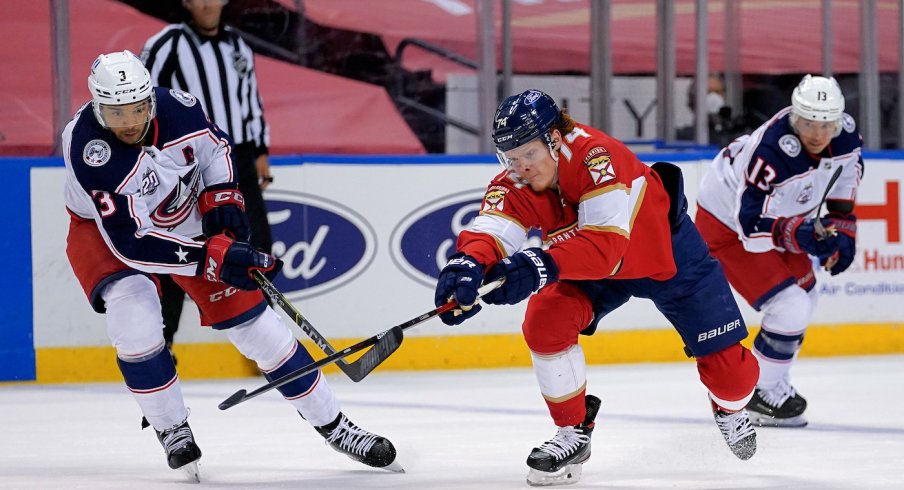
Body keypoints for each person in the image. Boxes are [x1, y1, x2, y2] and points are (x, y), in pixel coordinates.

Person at [62, 51, 400, 482]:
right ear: (96, 107)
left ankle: (337, 426)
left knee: (262, 331)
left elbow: (216, 149)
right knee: (135, 319)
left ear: (150, 97)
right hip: (106, 233)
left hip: (180, 211)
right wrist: (213, 258)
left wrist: (221, 197)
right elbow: (132, 242)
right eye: (114, 112)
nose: (128, 121)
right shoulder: (90, 149)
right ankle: (172, 429)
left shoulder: (178, 108)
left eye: (137, 108)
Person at [433, 89, 760, 486]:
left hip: (667, 257)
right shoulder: (519, 176)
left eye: (528, 154)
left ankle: (729, 410)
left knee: (734, 379)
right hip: (592, 265)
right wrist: (466, 264)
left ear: (554, 139)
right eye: (510, 156)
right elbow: (493, 227)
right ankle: (573, 432)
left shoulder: (596, 157)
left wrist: (537, 265)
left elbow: (606, 247)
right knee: (545, 320)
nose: (520, 166)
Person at [695, 74, 862, 428]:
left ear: (840, 120)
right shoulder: (771, 151)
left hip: (781, 217)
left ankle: (770, 383)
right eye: (808, 123)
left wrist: (845, 232)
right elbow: (749, 225)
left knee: (807, 296)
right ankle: (755, 394)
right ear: (793, 117)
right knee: (790, 306)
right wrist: (800, 235)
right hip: (726, 226)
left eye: (826, 124)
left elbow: (845, 182)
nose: (818, 134)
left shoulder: (846, 136)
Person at [141, 0, 274, 352]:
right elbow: (140, 102)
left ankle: (270, 339)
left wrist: (260, 149)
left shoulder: (238, 46)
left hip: (238, 158)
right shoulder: (166, 44)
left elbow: (251, 100)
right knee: (176, 253)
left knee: (257, 245)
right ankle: (162, 343)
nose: (207, 3)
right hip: (185, 164)